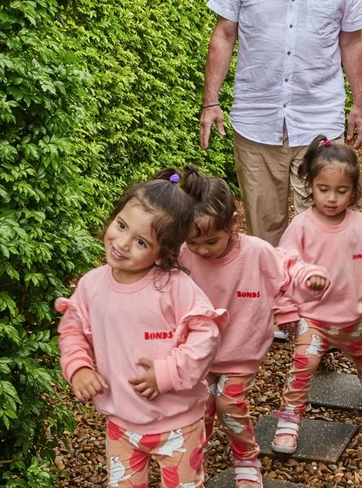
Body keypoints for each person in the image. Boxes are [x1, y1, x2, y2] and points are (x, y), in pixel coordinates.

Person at [199, 0, 362, 246]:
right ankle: (275, 304)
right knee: (265, 234)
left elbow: (352, 42)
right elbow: (223, 34)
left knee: (325, 229)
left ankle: (319, 300)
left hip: (319, 122)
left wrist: (360, 107)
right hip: (256, 122)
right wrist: (210, 102)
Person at [55, 171, 226, 488]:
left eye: (141, 241)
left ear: (164, 252)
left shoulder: (175, 288)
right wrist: (77, 367)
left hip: (179, 426)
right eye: (121, 225)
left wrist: (167, 373)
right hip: (121, 425)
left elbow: (206, 335)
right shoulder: (92, 286)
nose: (121, 243)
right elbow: (72, 329)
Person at [178, 166, 329, 487]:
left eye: (211, 241)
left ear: (233, 223)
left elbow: (288, 267)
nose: (202, 250)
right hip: (197, 352)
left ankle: (247, 459)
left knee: (228, 402)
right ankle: (193, 458)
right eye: (195, 244)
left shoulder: (256, 252)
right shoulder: (184, 255)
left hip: (240, 349)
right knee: (198, 407)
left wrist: (308, 279)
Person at [270, 136, 362, 454]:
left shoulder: (361, 225)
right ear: (309, 186)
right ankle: (288, 420)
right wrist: (305, 278)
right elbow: (284, 263)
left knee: (361, 351)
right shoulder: (301, 226)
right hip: (312, 318)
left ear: (353, 191)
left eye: (341, 191)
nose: (331, 198)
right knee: (303, 366)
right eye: (323, 189)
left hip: (352, 316)